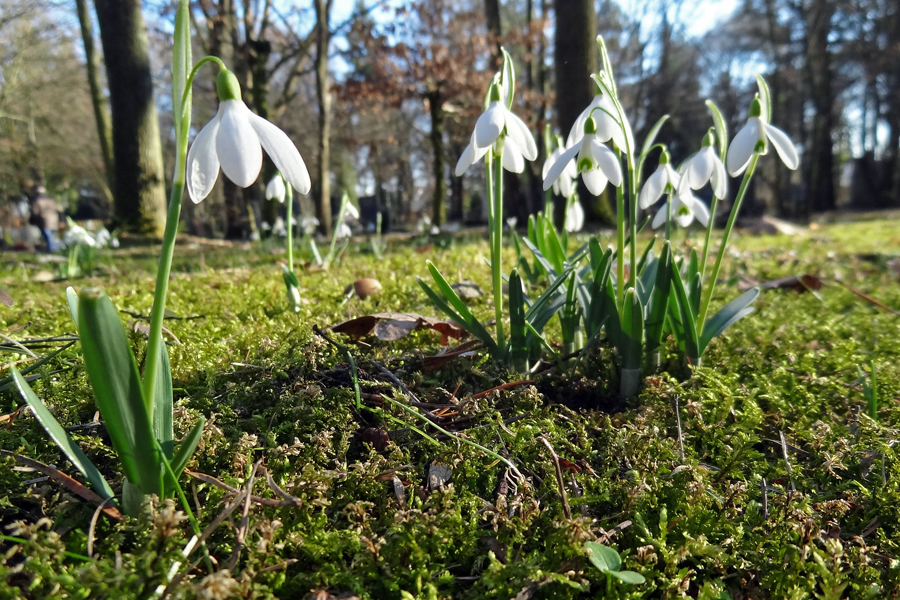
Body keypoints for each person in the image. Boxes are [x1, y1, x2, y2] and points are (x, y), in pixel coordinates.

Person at [29, 185, 60, 252]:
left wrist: (32, 220)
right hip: (54, 219)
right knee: (53, 235)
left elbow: (35, 212)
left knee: (47, 235)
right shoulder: (51, 199)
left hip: (44, 220)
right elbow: (57, 208)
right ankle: (55, 249)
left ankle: (52, 249)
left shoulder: (36, 199)